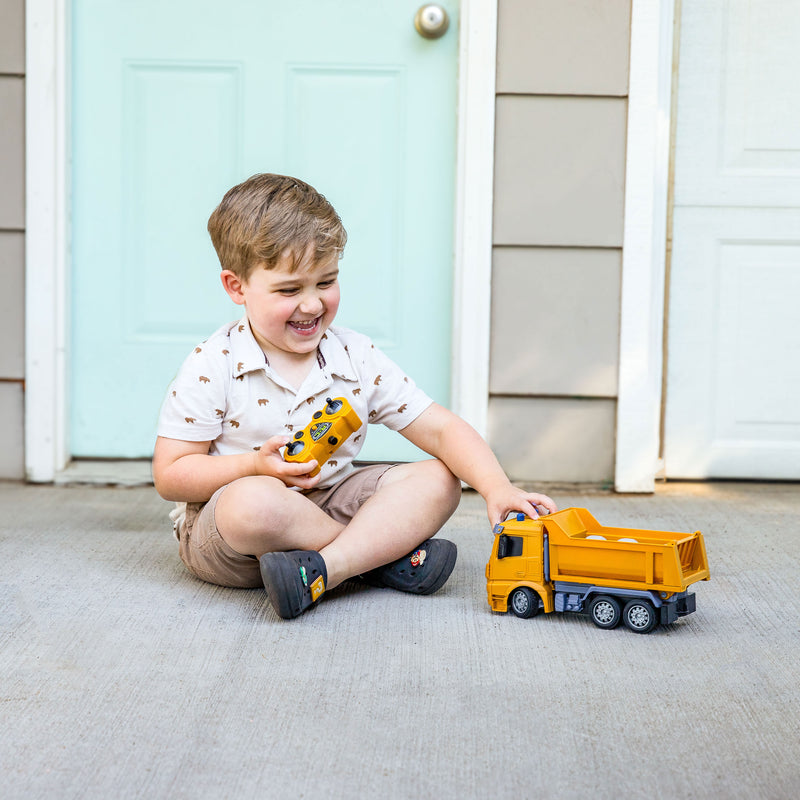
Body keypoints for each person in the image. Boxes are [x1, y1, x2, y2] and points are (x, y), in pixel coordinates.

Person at [153, 173, 557, 619]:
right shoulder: (215, 362)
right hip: (234, 537)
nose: (311, 305)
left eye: (325, 283)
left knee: (442, 479)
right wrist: (252, 466)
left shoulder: (352, 355)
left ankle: (327, 567)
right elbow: (170, 474)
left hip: (331, 498)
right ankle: (379, 560)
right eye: (289, 290)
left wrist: (495, 487)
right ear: (236, 286)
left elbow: (440, 429)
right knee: (253, 502)